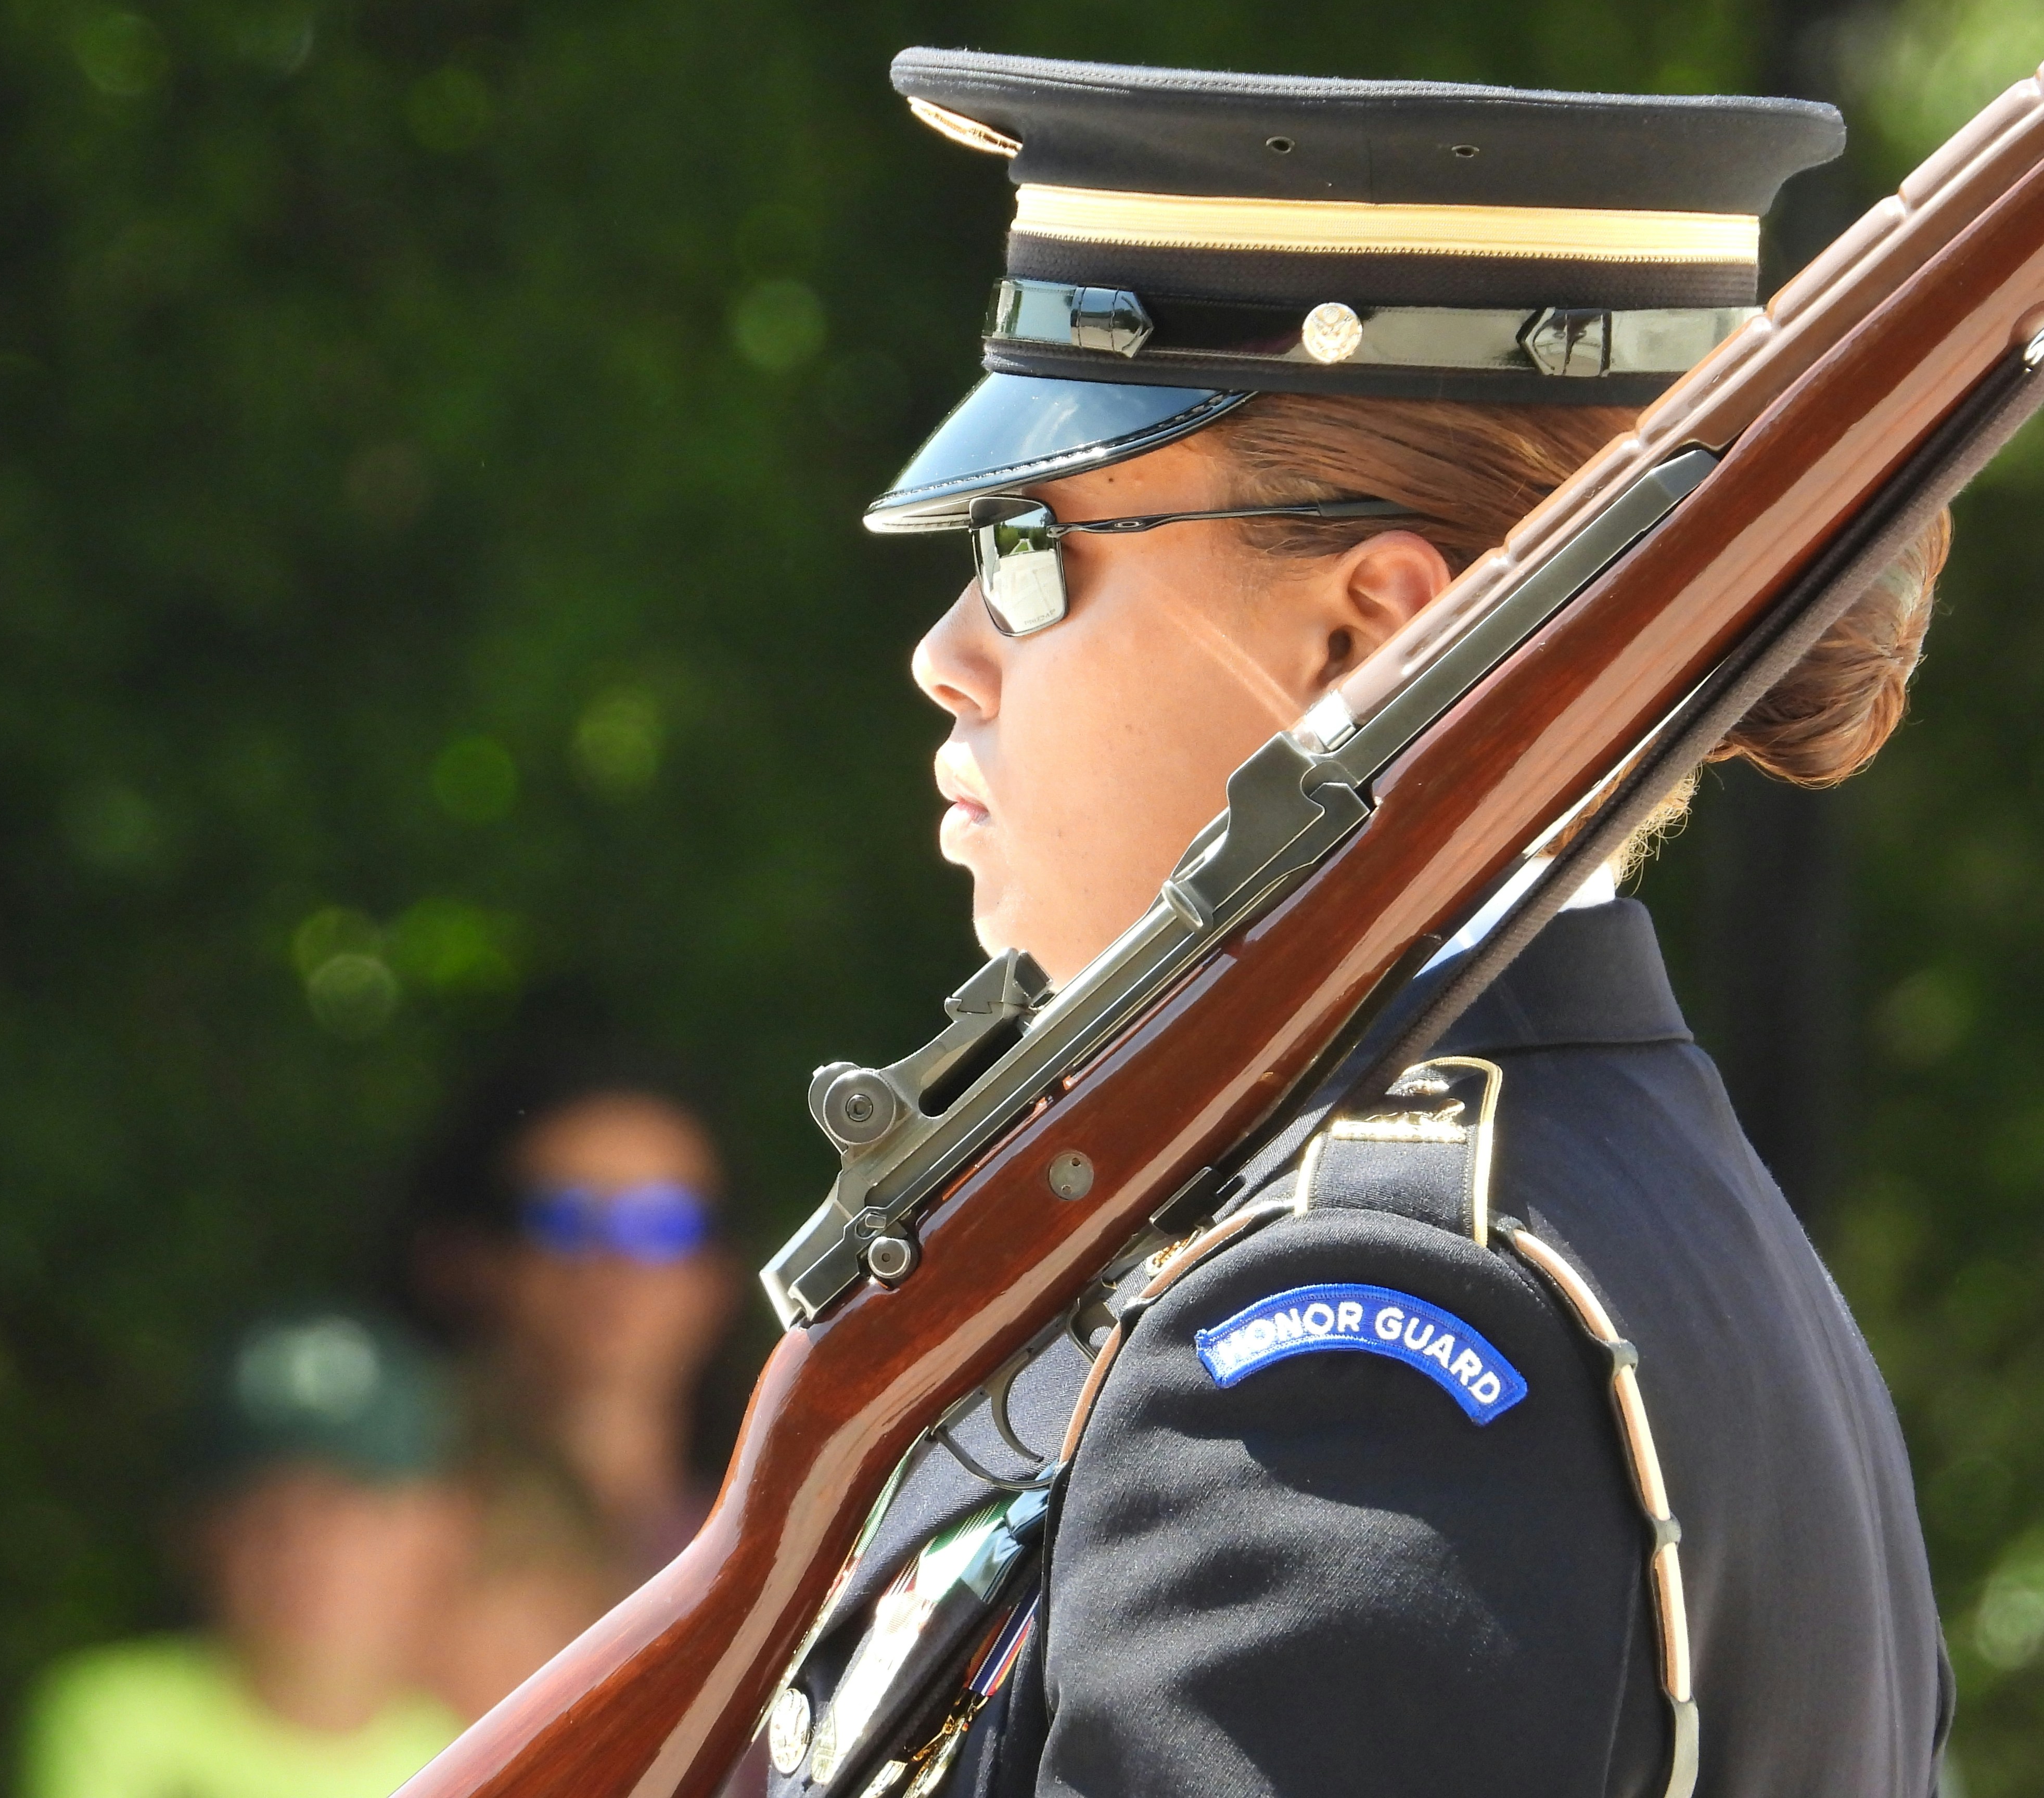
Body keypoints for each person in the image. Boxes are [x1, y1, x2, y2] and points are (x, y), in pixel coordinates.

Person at [758, 49, 1951, 1798]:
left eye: (1024, 548)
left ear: (1369, 635)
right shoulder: (1638, 1201)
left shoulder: (1357, 1335)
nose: (946, 653)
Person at [24, 1308, 472, 1798]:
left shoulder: (467, 1754)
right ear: (196, 1532)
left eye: (348, 1508)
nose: (305, 1548)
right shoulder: (111, 1716)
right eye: (264, 1510)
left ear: (437, 1528)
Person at [404, 1064, 742, 1587]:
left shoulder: (792, 1544)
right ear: (472, 1261)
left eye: (666, 1226)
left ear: (718, 1279)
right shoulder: (398, 1547)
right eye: (563, 1220)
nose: (615, 1261)